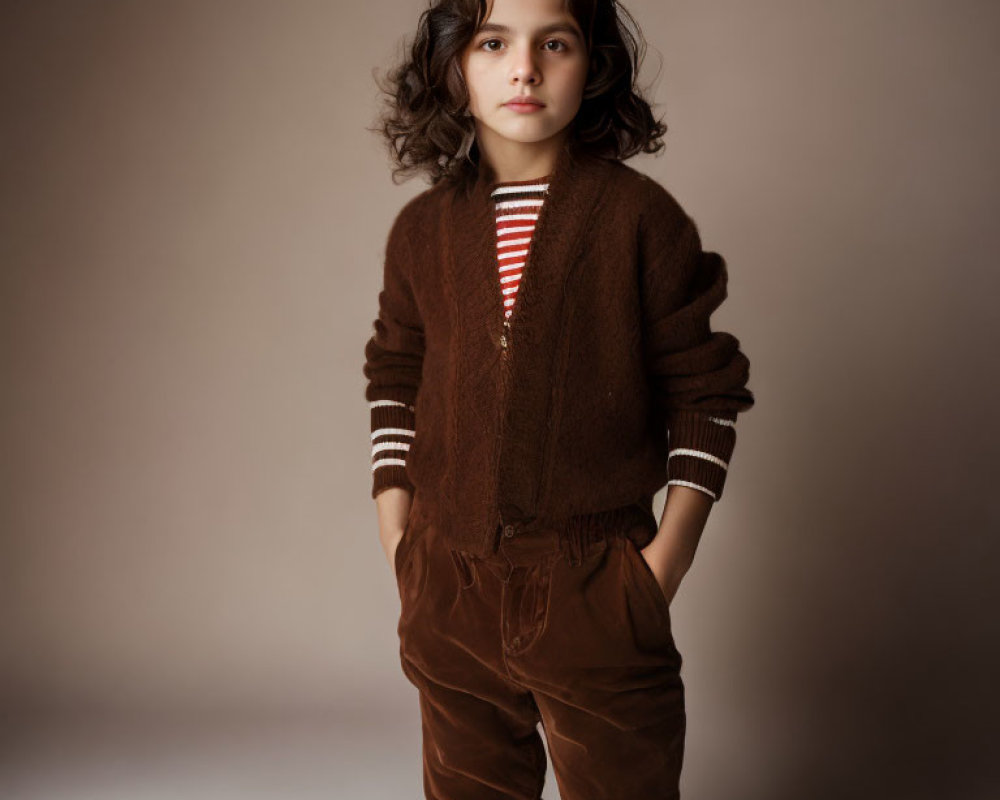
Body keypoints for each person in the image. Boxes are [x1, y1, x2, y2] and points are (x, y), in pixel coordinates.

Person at [362, 0, 755, 797]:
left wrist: (658, 571)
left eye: (556, 43)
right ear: (452, 65)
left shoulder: (643, 221)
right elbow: (395, 378)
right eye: (493, 42)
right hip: (448, 589)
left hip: (595, 593)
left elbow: (705, 393)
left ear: (595, 64)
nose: (524, 68)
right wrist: (400, 535)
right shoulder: (421, 232)